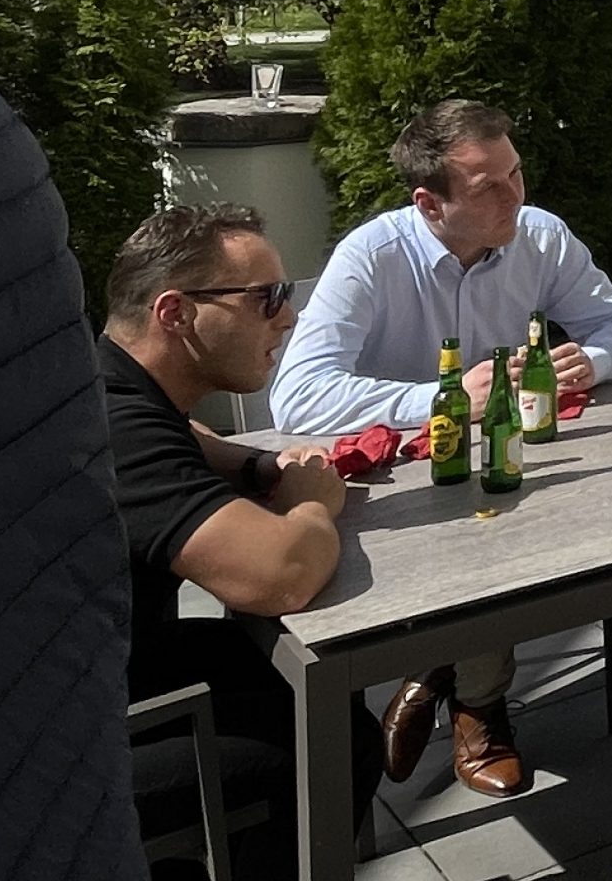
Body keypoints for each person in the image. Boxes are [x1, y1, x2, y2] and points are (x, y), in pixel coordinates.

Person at [269, 99, 612, 798]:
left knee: (581, 516)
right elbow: (296, 398)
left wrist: (593, 361)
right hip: (400, 483)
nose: (517, 196)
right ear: (429, 203)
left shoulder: (538, 236)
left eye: (516, 173)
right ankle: (478, 703)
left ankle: (440, 672)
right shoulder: (374, 254)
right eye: (491, 187)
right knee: (490, 542)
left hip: (510, 471)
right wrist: (443, 397)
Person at [100, 205, 384, 877]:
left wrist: (253, 465)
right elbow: (279, 576)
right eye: (266, 299)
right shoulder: (122, 431)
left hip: (109, 672)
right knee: (335, 741)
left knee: (287, 678)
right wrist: (309, 505)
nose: (286, 318)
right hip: (65, 751)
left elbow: (181, 434)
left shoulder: (102, 380)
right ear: (176, 314)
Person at [0, 50, 146, 881]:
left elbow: (603, 328)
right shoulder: (130, 419)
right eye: (269, 299)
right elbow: (313, 394)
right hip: (82, 736)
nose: (284, 317)